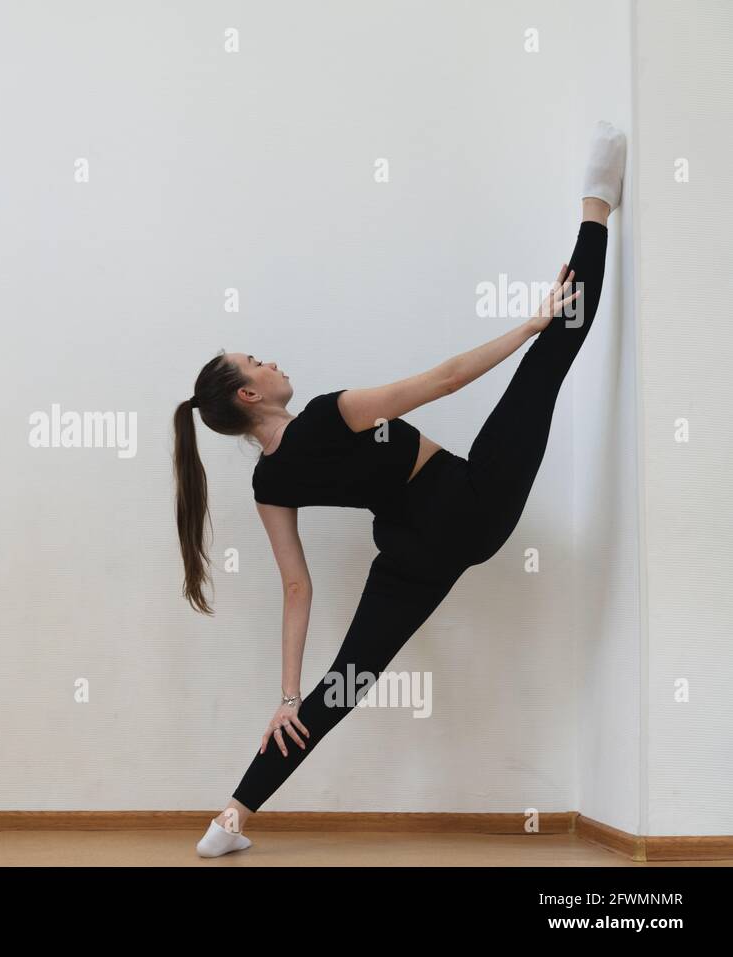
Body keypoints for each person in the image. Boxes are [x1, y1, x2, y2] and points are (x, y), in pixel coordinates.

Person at [171, 122, 627, 857]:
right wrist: (527, 324)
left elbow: (296, 588)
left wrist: (288, 693)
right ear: (251, 394)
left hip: (411, 551)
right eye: (258, 359)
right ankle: (597, 203)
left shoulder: (268, 479)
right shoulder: (329, 412)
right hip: (469, 506)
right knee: (551, 354)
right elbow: (443, 377)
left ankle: (230, 819)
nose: (273, 358)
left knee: (341, 684)